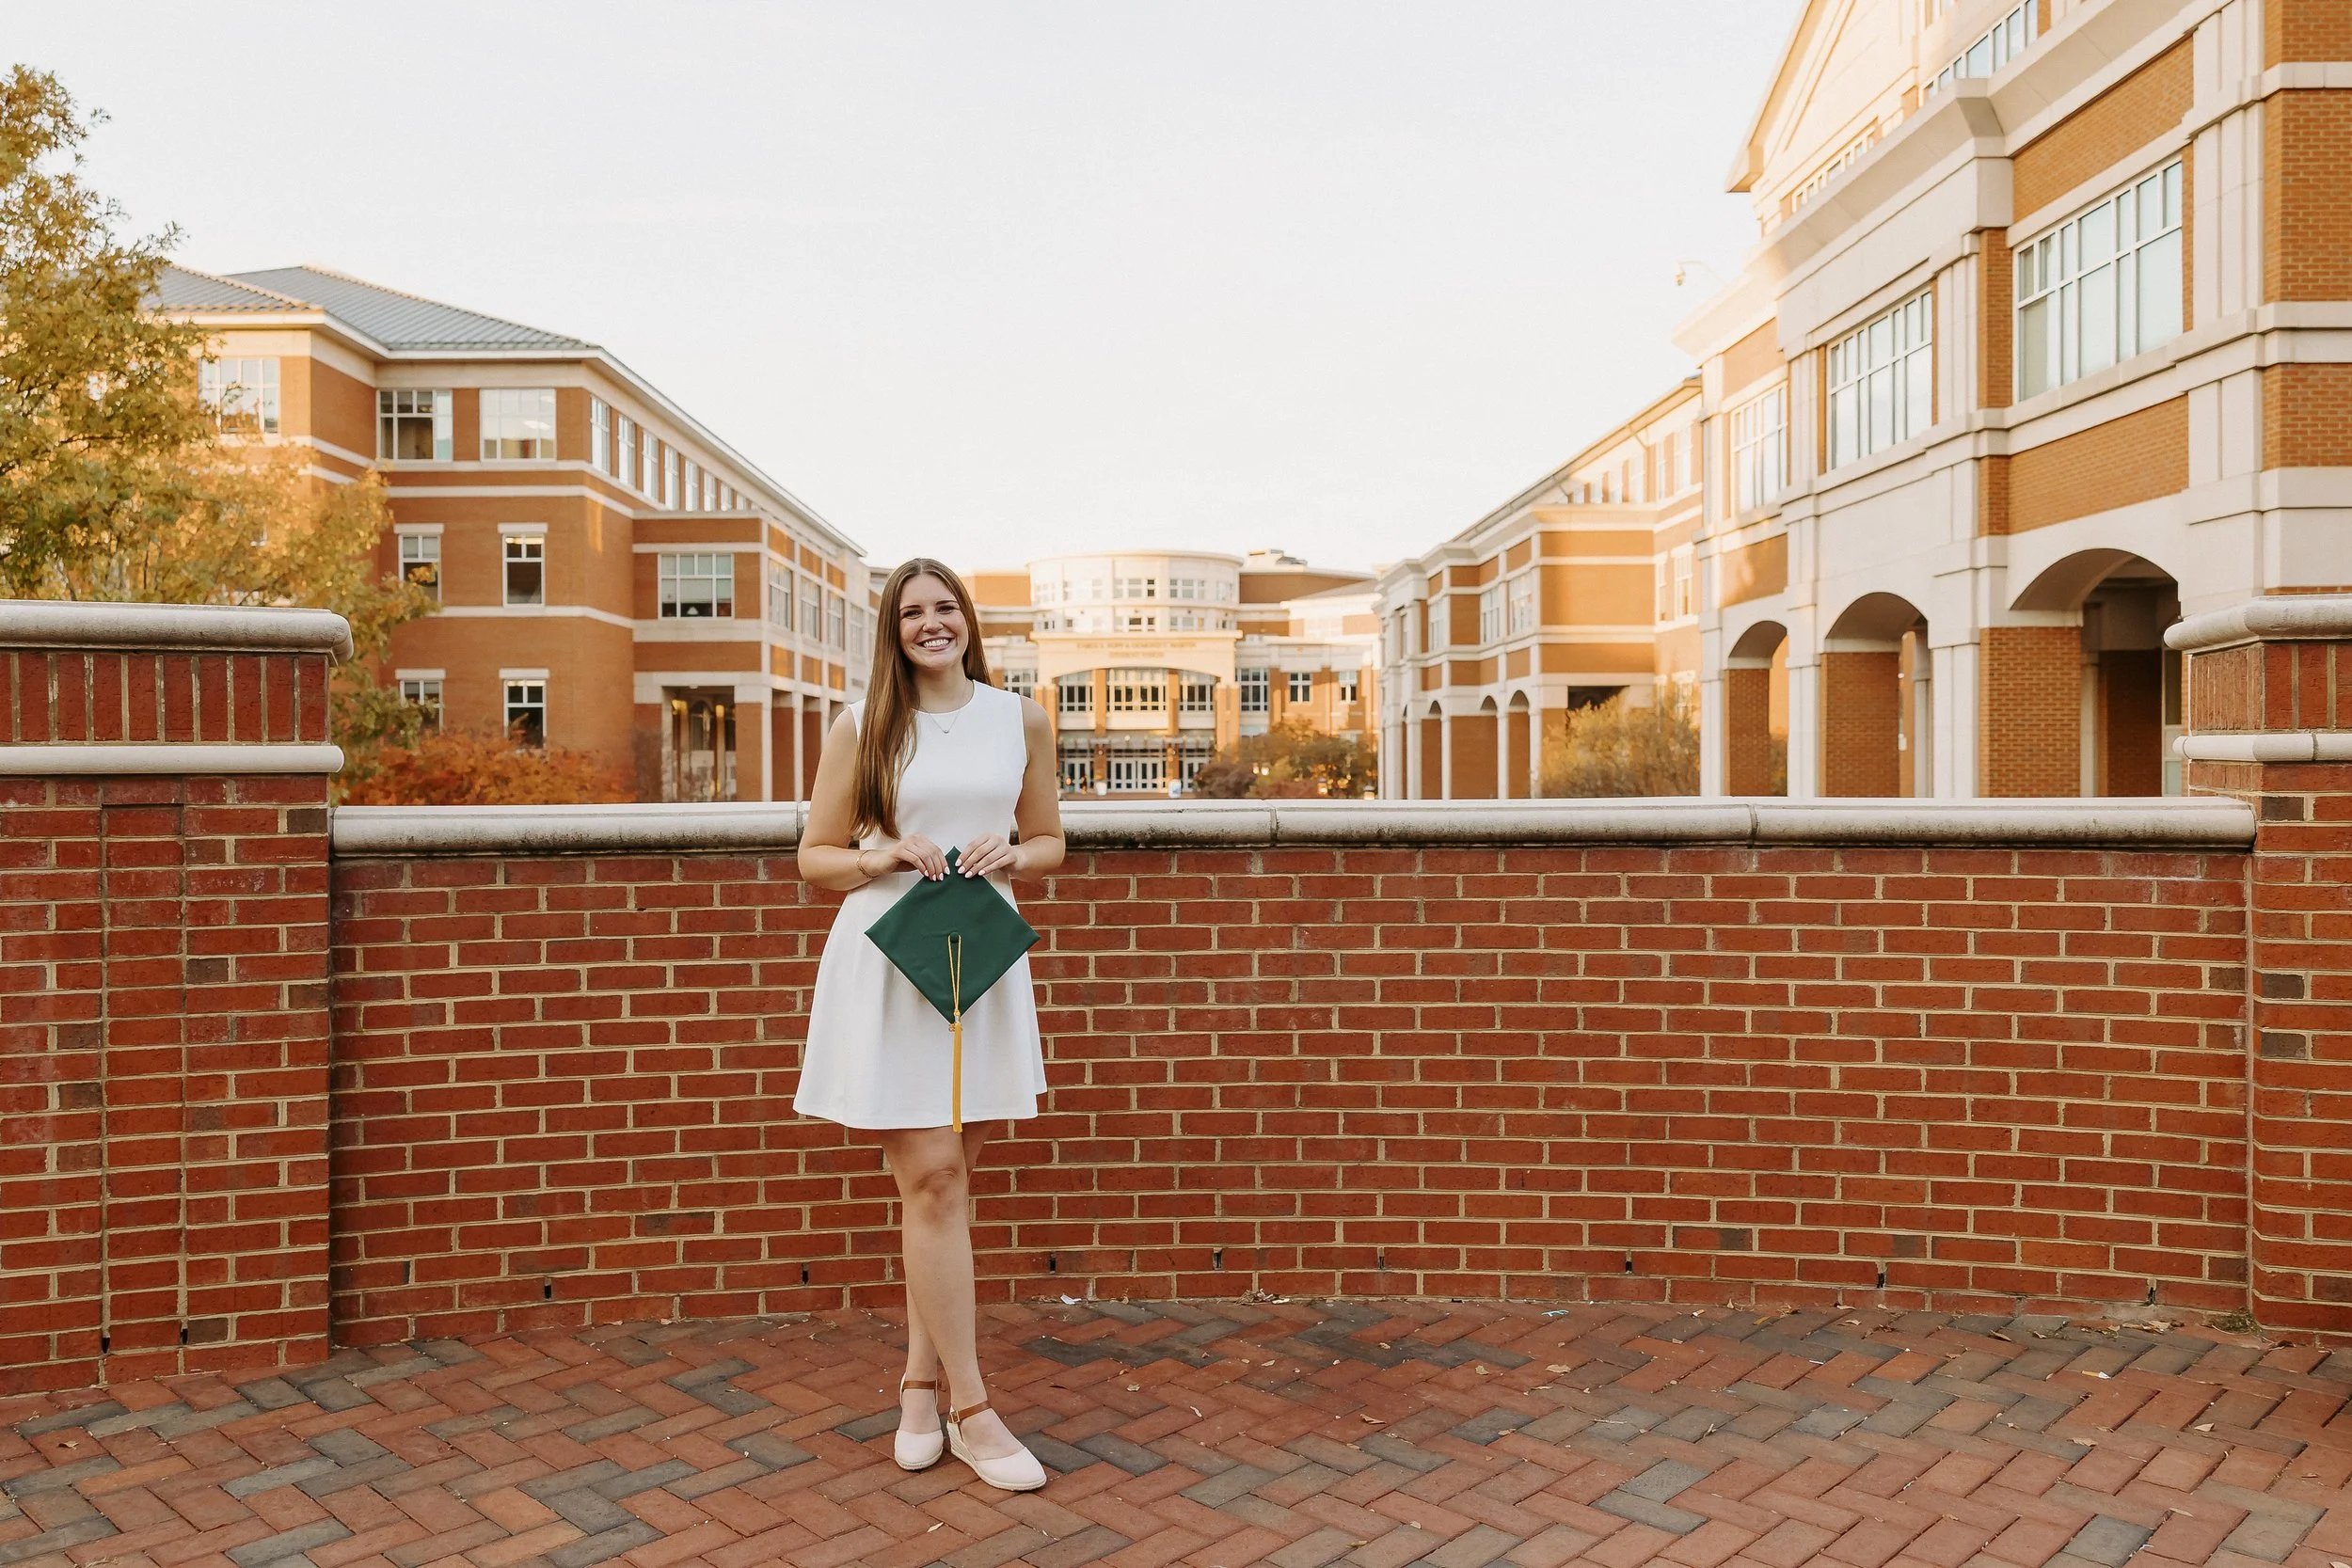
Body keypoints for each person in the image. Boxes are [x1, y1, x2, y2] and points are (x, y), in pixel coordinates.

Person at [794, 558, 1065, 1493]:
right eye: (912, 611)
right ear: (892, 627)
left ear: (967, 619)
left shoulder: (1017, 716)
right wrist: (876, 852)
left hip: (979, 956)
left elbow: (1052, 839)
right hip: (889, 956)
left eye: (944, 606)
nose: (930, 622)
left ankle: (916, 1379)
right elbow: (814, 856)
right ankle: (973, 1408)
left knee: (940, 1190)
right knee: (936, 1176)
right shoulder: (864, 724)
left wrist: (1015, 852)